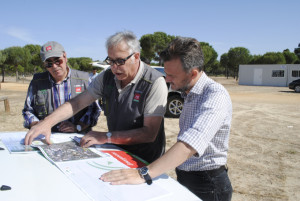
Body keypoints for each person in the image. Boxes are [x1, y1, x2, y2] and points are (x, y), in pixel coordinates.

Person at [100, 37, 233, 201]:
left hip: (209, 184)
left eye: (171, 75)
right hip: (187, 176)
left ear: (193, 73)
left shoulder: (215, 95)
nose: (166, 79)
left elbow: (190, 143)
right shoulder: (188, 92)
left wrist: (144, 173)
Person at [24, 31, 168, 164]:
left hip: (145, 159)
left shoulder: (154, 82)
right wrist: (47, 122)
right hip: (117, 152)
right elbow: (78, 102)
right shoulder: (106, 77)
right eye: (110, 61)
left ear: (136, 57)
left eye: (119, 61)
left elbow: (149, 133)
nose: (114, 67)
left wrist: (106, 136)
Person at [22, 41, 101, 134]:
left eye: (57, 61)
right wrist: (37, 126)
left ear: (65, 57)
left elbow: (94, 109)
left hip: (78, 136)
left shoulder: (84, 79)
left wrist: (78, 126)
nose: (54, 66)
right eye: (49, 63)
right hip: (47, 138)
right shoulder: (36, 82)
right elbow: (28, 110)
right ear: (44, 65)